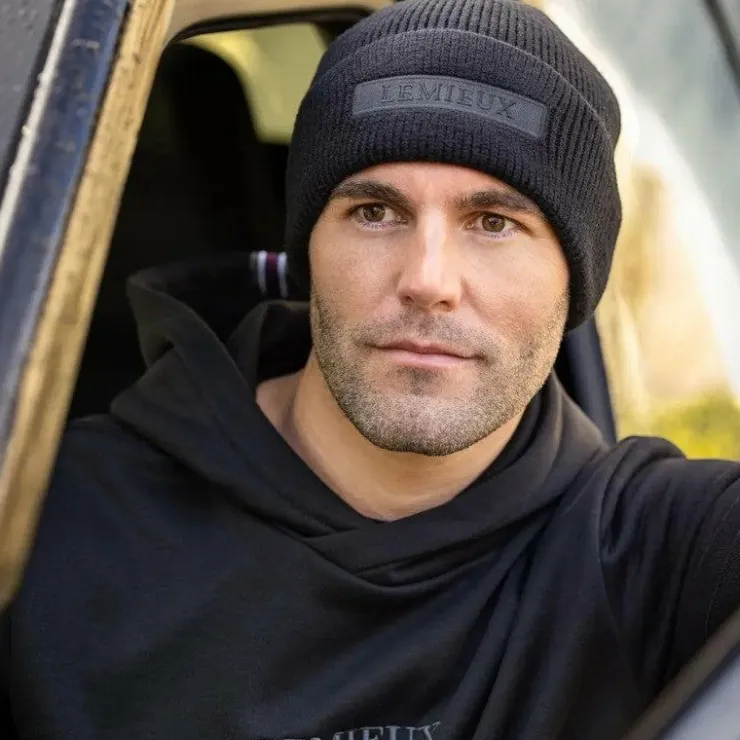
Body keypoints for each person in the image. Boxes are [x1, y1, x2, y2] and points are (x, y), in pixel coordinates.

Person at [2, 0, 740, 737]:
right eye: (375, 213)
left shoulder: (660, 553)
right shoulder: (47, 517)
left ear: (575, 281)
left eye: (494, 223)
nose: (427, 279)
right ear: (309, 249)